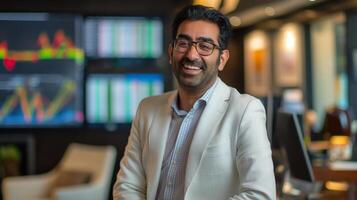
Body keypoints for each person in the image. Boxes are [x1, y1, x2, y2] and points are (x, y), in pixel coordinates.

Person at [113, 5, 276, 200]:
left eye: (205, 46)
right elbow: (127, 186)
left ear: (222, 59)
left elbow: (259, 195)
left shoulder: (245, 111)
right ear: (171, 50)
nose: (191, 55)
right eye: (183, 43)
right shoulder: (148, 109)